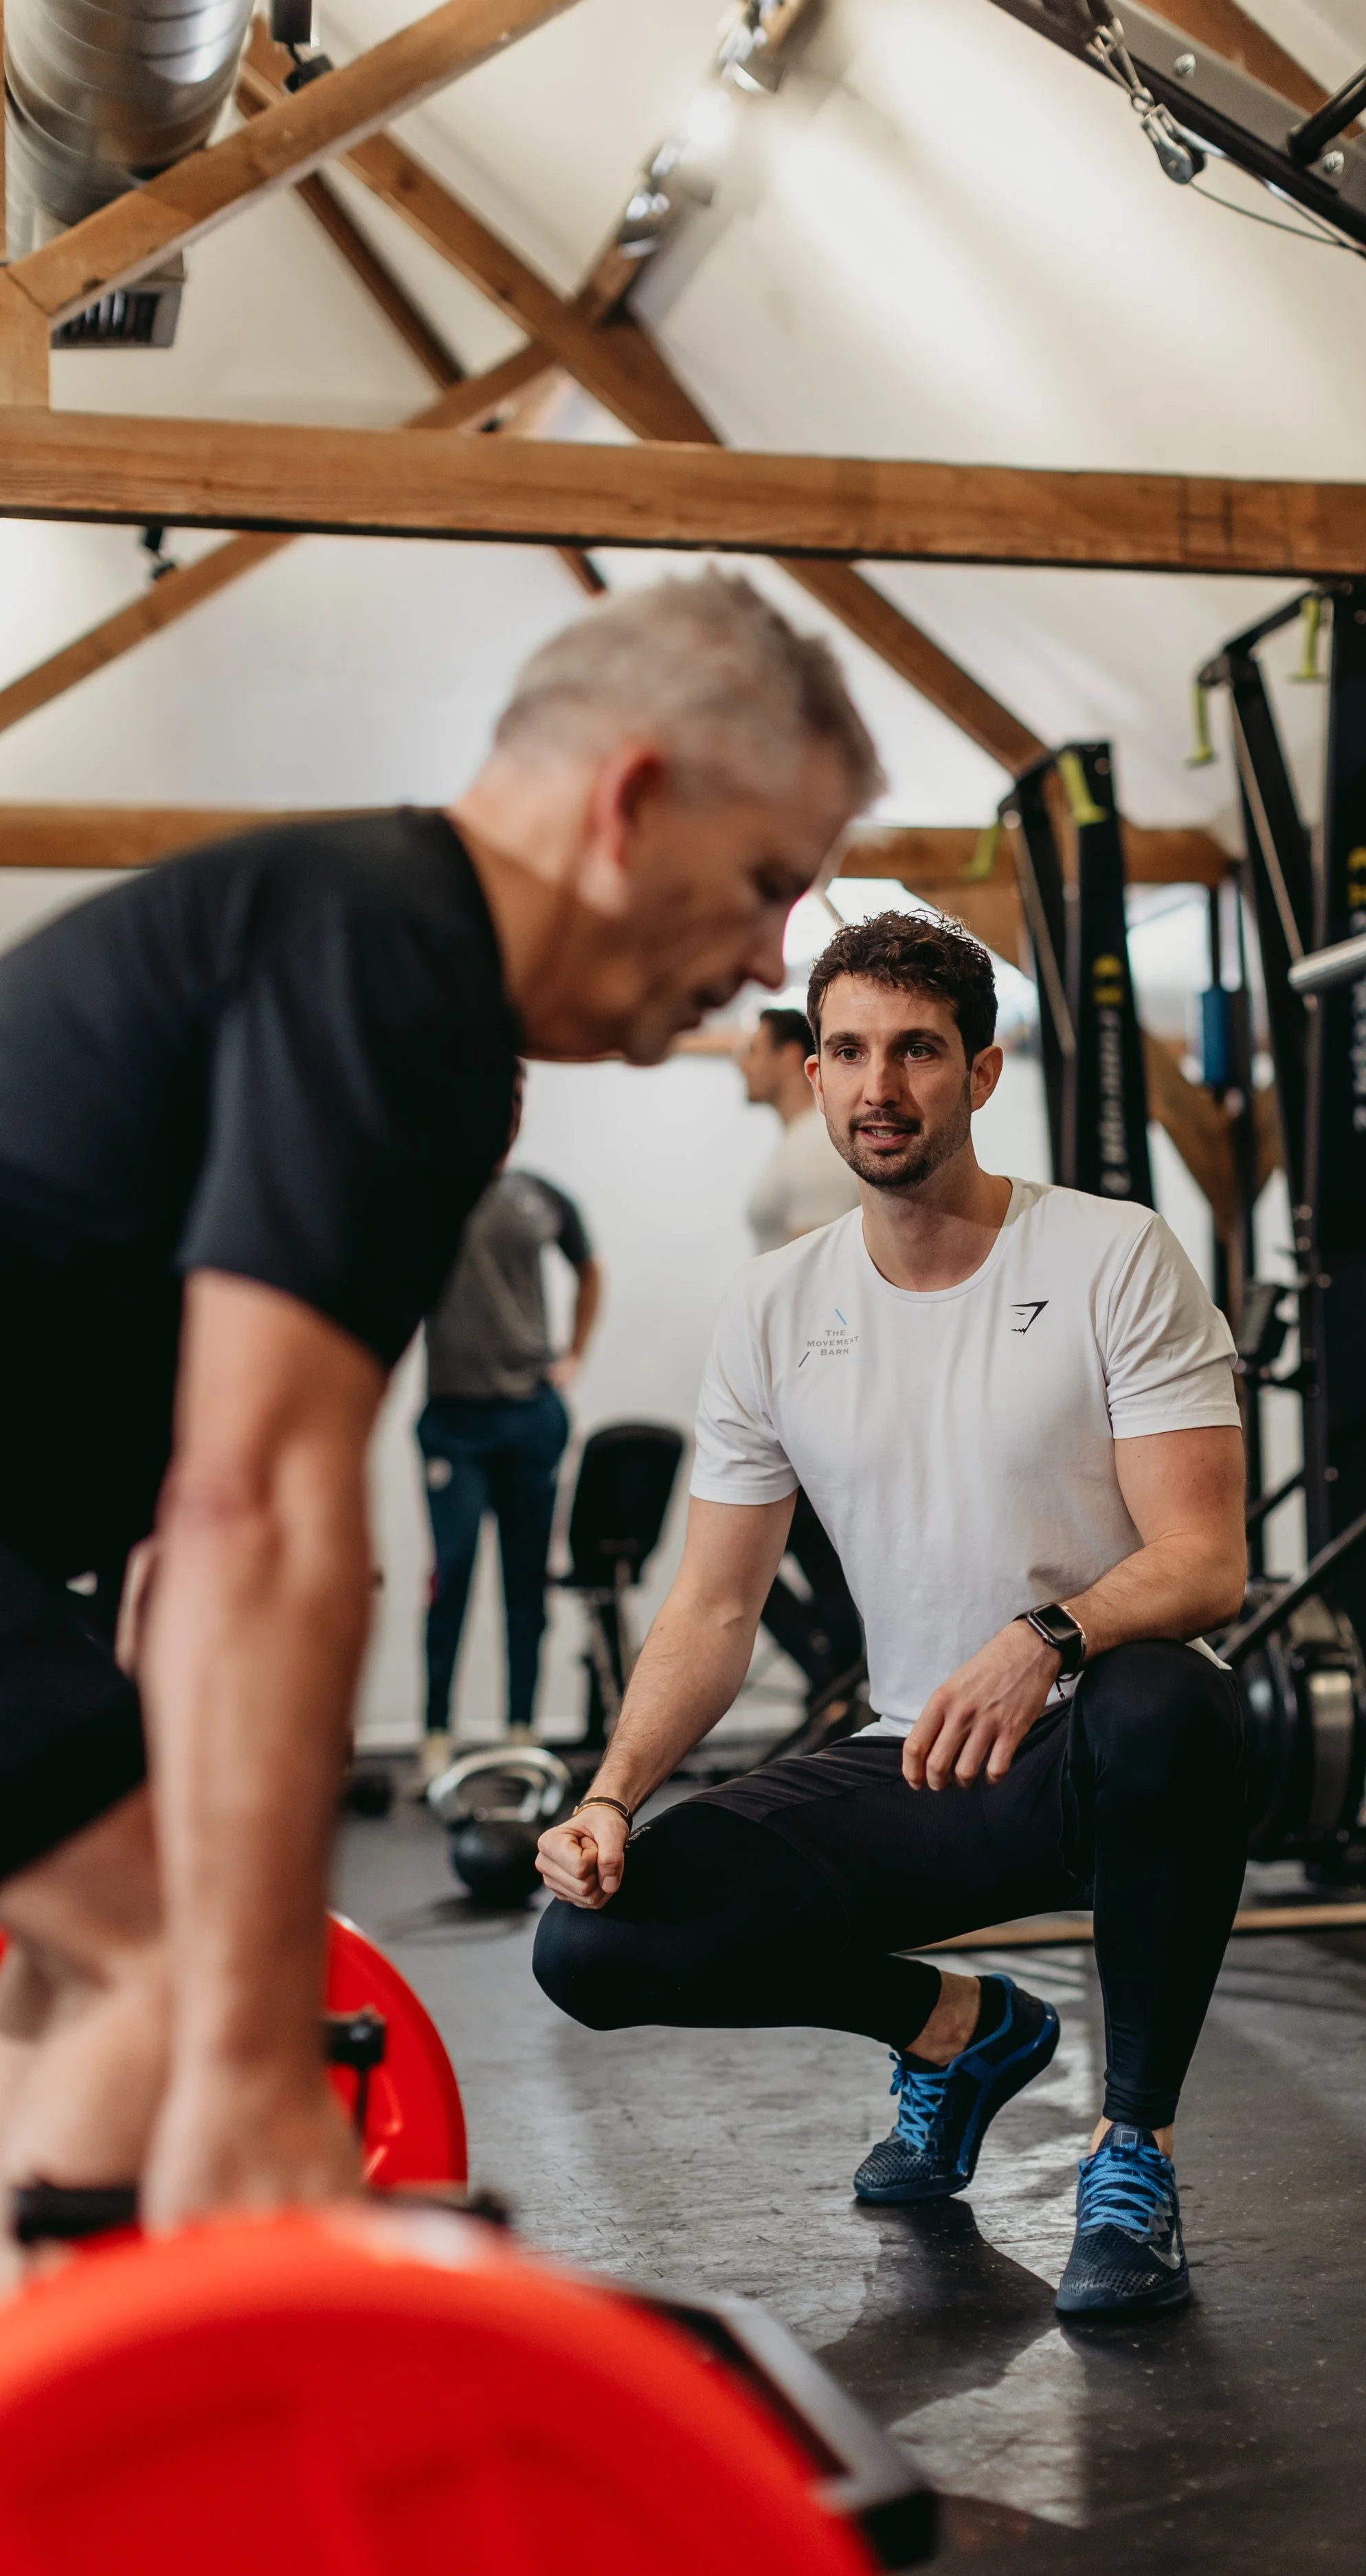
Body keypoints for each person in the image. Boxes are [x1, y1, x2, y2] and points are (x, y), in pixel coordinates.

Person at [0, 571, 880, 2278]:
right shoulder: (393, 956)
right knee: (181, 1987)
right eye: (772, 880)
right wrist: (254, 2047)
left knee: (85, 1974)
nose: (771, 954)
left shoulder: (404, 991)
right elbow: (267, 1512)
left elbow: (193, 1521)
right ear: (629, 801)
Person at [533, 911, 1249, 2323]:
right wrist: (609, 1793)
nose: (880, 1085)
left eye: (916, 1050)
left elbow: (1204, 1560)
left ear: (979, 1074)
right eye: (847, 1050)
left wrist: (1047, 1637)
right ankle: (957, 2033)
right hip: (915, 1756)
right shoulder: (772, 1308)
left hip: (1097, 1749)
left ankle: (1132, 2153)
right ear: (811, 1076)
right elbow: (714, 1600)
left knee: (1170, 1700)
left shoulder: (1112, 1255)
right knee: (591, 1946)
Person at [417, 1088, 604, 1786]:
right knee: (453, 1570)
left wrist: (574, 1354)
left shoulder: (537, 1195)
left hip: (530, 1414)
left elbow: (591, 1268)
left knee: (526, 1578)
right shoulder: (424, 1190)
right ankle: (437, 1730)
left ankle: (522, 1730)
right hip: (453, 1421)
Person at [741, 1006, 866, 1719]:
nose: (741, 1062)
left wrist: (796, 1405)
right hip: (788, 1392)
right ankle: (837, 1693)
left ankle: (839, 1693)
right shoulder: (794, 1146)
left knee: (777, 1562)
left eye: (754, 1048)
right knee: (784, 1564)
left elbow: (823, 1291)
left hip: (812, 1395)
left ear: (794, 1056)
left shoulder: (817, 1153)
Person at [741, 1006, 862, 1253]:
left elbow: (816, 1270)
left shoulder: (815, 1146)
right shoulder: (799, 1139)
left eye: (753, 1052)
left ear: (789, 1056)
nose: (743, 1066)